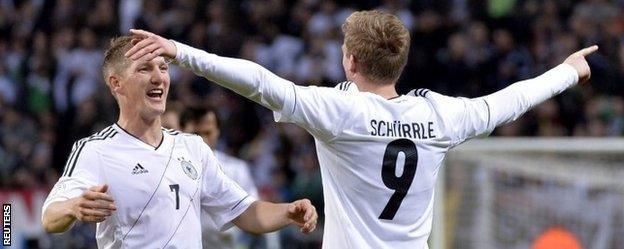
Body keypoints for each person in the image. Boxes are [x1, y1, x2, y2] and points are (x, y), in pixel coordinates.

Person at [125, 10, 597, 249]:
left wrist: (180, 51)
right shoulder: (441, 117)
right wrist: (568, 71)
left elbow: (261, 83)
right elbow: (510, 101)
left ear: (350, 60)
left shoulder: (340, 113)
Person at [41, 36, 318, 248]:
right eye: (144, 68)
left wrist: (288, 212)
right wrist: (73, 206)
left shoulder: (193, 148)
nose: (159, 77)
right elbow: (49, 217)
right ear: (116, 83)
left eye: (163, 67)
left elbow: (245, 212)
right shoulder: (96, 150)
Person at [180, 105, 277, 249]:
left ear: (218, 131)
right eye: (196, 134)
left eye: (208, 133)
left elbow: (252, 211)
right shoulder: (169, 167)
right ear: (180, 131)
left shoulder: (237, 169)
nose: (202, 140)